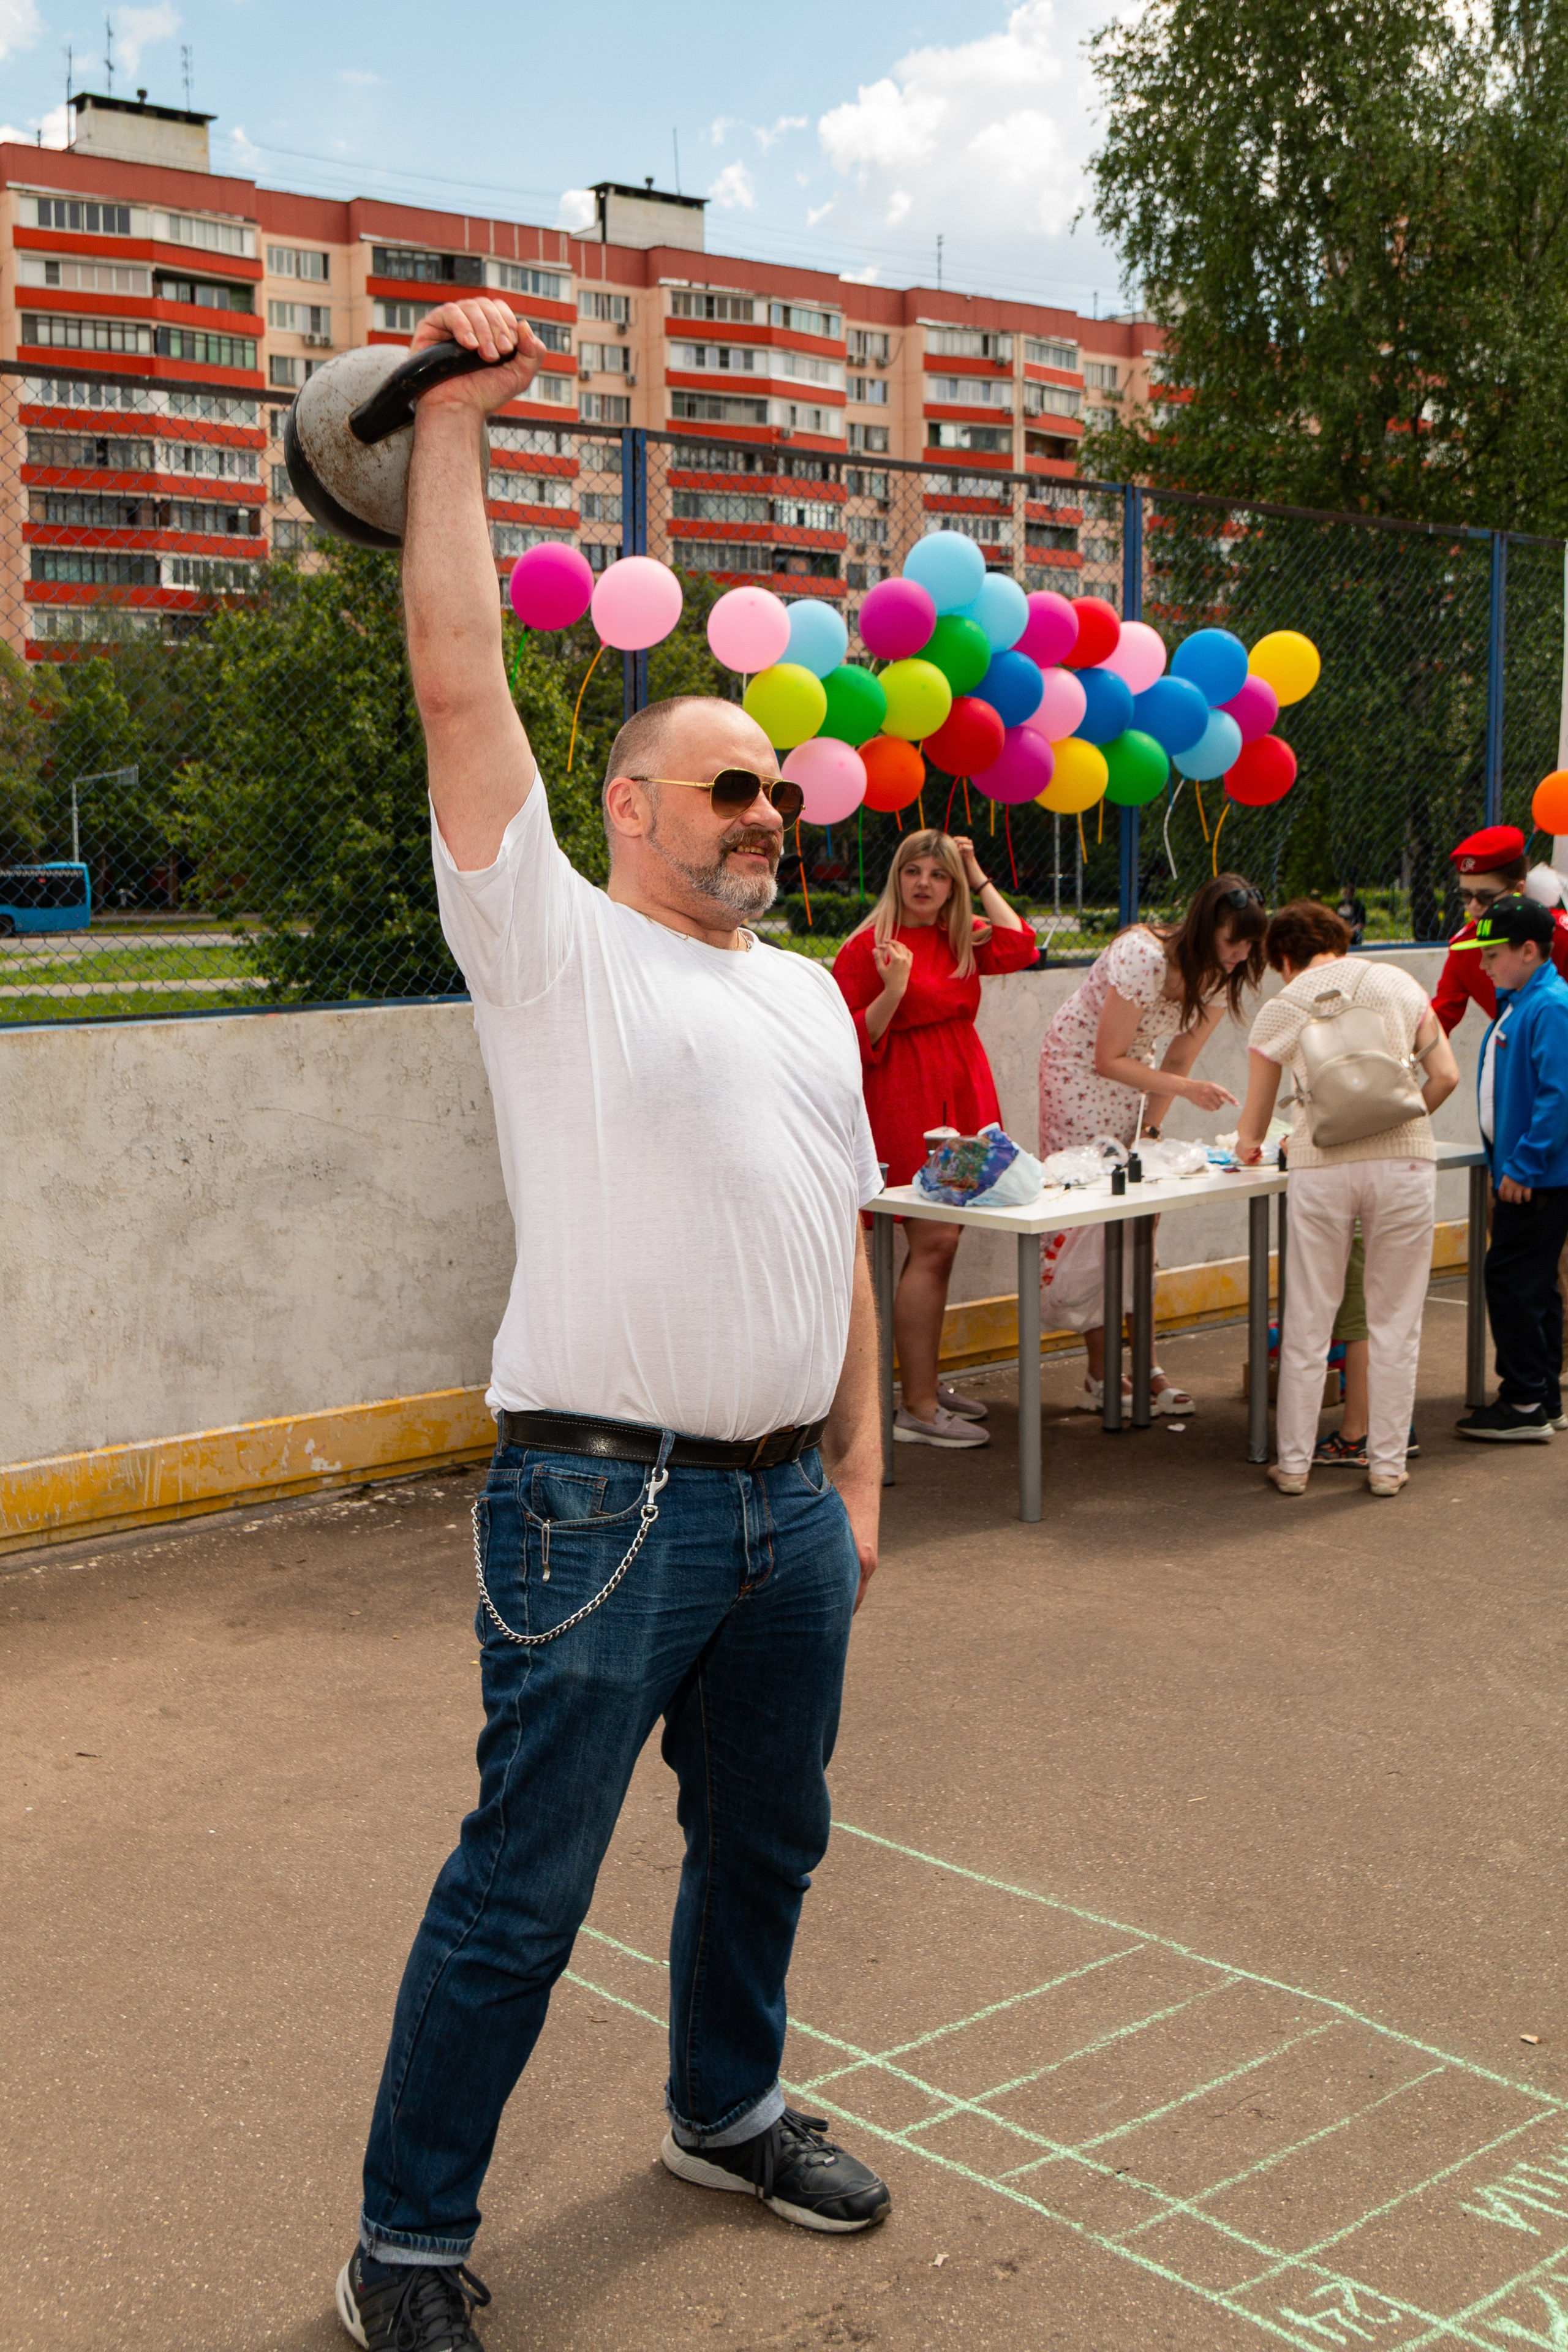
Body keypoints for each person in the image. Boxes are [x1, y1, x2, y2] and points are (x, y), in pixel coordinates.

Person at [334, 299, 891, 2352]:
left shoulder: (812, 991)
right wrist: (453, 427)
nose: (765, 812)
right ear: (630, 811)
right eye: (726, 787)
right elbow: (457, 678)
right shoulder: (551, 946)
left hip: (782, 1522)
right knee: (523, 1893)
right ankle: (404, 2246)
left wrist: (851, 1475)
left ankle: (723, 2108)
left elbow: (829, 1226)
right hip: (600, 1510)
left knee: (773, 1838)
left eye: (782, 798)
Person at [1235, 901, 1459, 1497]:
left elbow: (1254, 1128)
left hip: (1321, 1168)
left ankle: (1293, 1467)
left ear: (1283, 957)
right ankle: (1386, 1467)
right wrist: (1399, 1122)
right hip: (1403, 1163)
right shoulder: (1399, 983)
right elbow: (1445, 1076)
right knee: (1395, 1319)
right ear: (1341, 940)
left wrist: (1246, 1148)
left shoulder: (1280, 1007)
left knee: (1309, 1316)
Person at [832, 829, 1036, 1448]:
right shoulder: (869, 946)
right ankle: (916, 1407)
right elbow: (843, 1038)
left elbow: (1022, 945)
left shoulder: (962, 938)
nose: (924, 883)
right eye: (913, 871)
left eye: (937, 874)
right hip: (905, 1096)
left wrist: (976, 872)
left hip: (964, 1094)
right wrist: (893, 989)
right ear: (896, 877)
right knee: (934, 1242)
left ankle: (923, 1383)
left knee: (942, 1246)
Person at [1036, 874, 1267, 1412]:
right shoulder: (1143, 955)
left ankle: (1146, 1364)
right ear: (1207, 927)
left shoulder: (1220, 973)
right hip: (1079, 1073)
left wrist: (1151, 1135)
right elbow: (1106, 1058)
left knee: (1143, 1214)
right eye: (1234, 940)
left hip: (1135, 1082)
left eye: (1250, 944)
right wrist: (1186, 1092)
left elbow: (1179, 1059)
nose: (1242, 954)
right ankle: (1102, 1372)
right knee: (1094, 1218)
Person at [1453, 894, 1568, 1441]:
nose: (1482, 964)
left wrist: (1523, 1165)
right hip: (1528, 1173)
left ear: (1528, 950)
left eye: (1492, 953)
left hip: (1536, 1178)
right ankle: (1543, 1395)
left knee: (1513, 1283)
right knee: (1535, 1285)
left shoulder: (1550, 1006)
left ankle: (1522, 1401)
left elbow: (1559, 1098)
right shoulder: (1524, 999)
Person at [1431, 824, 1568, 1038]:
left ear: (1518, 890)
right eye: (1466, 896)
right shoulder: (1465, 949)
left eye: (1485, 897)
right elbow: (1439, 1020)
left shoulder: (1560, 936)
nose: (1474, 906)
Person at [1335, 882, 1367, 946]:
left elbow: (1361, 923)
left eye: (1348, 893)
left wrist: (1351, 930)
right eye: (1344, 893)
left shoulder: (1358, 906)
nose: (1345, 895)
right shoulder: (1340, 905)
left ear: (1352, 894)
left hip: (1354, 932)